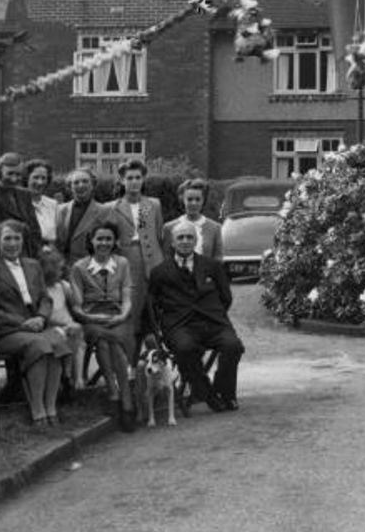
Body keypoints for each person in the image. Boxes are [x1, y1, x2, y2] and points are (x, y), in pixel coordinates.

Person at [0, 220, 70, 426]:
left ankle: (51, 406)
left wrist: (42, 318)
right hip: (5, 332)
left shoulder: (33, 265)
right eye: (7, 238)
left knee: (59, 341)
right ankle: (37, 409)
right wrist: (24, 323)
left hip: (36, 325)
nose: (12, 243)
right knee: (40, 345)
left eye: (17, 238)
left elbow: (46, 299)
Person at [149, 219, 245, 412]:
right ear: (172, 243)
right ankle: (207, 394)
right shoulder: (159, 272)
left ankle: (225, 393)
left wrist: (214, 314)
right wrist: (159, 330)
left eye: (189, 237)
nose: (185, 241)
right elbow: (152, 304)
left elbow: (225, 297)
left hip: (213, 323)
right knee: (185, 348)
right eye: (180, 237)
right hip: (179, 326)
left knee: (233, 346)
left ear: (196, 241)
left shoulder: (212, 266)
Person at [70, 220, 138, 432]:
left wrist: (122, 315)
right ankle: (125, 401)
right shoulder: (79, 268)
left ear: (115, 241)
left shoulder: (123, 263)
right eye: (100, 238)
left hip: (118, 317)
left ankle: (116, 395)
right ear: (91, 241)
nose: (104, 243)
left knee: (109, 343)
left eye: (108, 238)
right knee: (104, 340)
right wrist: (95, 318)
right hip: (91, 319)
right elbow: (77, 306)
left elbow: (127, 295)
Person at [107, 159, 164, 337]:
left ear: (143, 179)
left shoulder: (152, 204)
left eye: (138, 177)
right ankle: (127, 358)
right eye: (129, 178)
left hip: (153, 263)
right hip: (128, 262)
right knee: (130, 312)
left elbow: (158, 234)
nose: (134, 182)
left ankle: (154, 357)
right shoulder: (112, 207)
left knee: (155, 315)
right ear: (122, 181)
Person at [0, 152, 43, 260]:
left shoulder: (25, 195)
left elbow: (34, 228)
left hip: (26, 256)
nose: (14, 178)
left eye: (18, 175)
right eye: (10, 174)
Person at [39, 246, 86, 391]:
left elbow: (77, 303)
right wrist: (64, 325)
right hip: (51, 327)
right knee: (64, 338)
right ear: (49, 272)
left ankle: (77, 378)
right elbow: (44, 317)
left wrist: (72, 283)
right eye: (59, 269)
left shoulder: (62, 286)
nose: (62, 272)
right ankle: (65, 376)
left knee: (78, 339)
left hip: (70, 326)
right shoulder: (41, 290)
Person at [55, 168, 108, 264]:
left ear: (92, 185)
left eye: (85, 181)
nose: (81, 185)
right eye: (76, 182)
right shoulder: (60, 210)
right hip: (63, 268)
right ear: (70, 187)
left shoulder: (103, 211)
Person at [162, 178, 222, 260]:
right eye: (189, 199)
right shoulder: (169, 228)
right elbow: (166, 258)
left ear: (203, 201)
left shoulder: (215, 228)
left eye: (198, 200)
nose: (194, 203)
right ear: (183, 200)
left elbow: (218, 259)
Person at [24, 158, 59, 247]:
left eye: (44, 178)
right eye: (35, 177)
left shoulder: (53, 205)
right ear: (27, 178)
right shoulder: (18, 203)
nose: (40, 182)